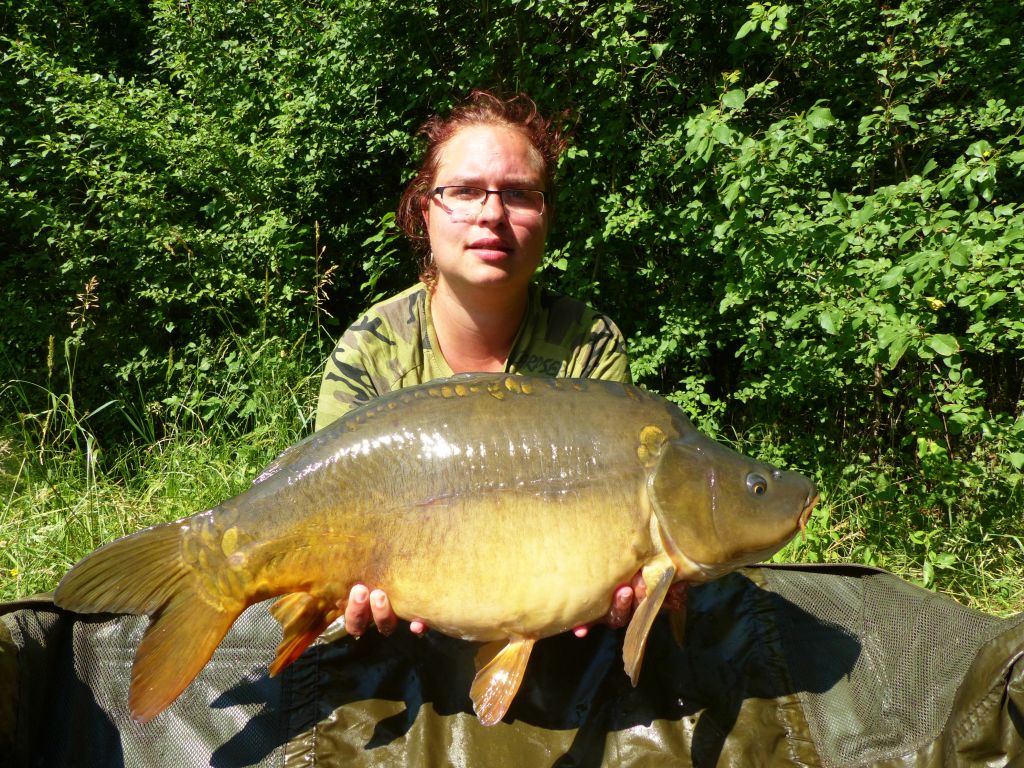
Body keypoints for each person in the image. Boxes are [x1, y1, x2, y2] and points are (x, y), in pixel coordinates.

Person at [313, 90, 684, 640]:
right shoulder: (372, 348)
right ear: (425, 211)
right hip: (398, 635)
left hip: (553, 638)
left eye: (519, 194)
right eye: (464, 191)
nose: (492, 214)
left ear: (546, 217)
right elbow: (322, 509)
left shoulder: (589, 344)